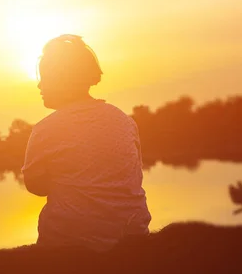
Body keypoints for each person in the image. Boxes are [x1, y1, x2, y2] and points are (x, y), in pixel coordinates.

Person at [22, 34, 151, 252]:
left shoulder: (46, 129)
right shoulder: (125, 120)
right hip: (134, 233)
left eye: (45, 77)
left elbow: (35, 187)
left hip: (71, 243)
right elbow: (135, 176)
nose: (39, 85)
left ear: (62, 79)